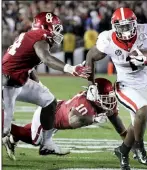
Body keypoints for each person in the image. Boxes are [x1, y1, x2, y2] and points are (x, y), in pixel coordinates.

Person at [85, 7, 147, 170]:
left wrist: (145, 61)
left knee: (138, 124)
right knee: (142, 110)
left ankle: (122, 151)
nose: (126, 30)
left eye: (128, 25)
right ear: (114, 27)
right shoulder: (107, 40)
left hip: (144, 86)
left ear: (135, 24)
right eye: (121, 27)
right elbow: (90, 56)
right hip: (125, 85)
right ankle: (140, 147)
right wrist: (91, 84)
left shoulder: (145, 34)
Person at [2, 12, 91, 157]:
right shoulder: (39, 36)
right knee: (4, 129)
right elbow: (47, 58)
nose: (57, 32)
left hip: (18, 80)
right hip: (6, 84)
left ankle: (47, 144)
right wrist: (71, 68)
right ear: (44, 27)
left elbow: (27, 66)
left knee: (49, 101)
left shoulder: (30, 36)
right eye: (55, 28)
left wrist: (39, 84)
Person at [5, 78, 127, 161]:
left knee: (35, 135)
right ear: (93, 95)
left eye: (110, 97)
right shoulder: (84, 104)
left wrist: (128, 140)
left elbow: (118, 126)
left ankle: (13, 137)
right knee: (36, 141)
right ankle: (6, 127)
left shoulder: (102, 105)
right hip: (49, 114)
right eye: (104, 98)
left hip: (57, 118)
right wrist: (94, 119)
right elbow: (73, 120)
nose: (109, 101)